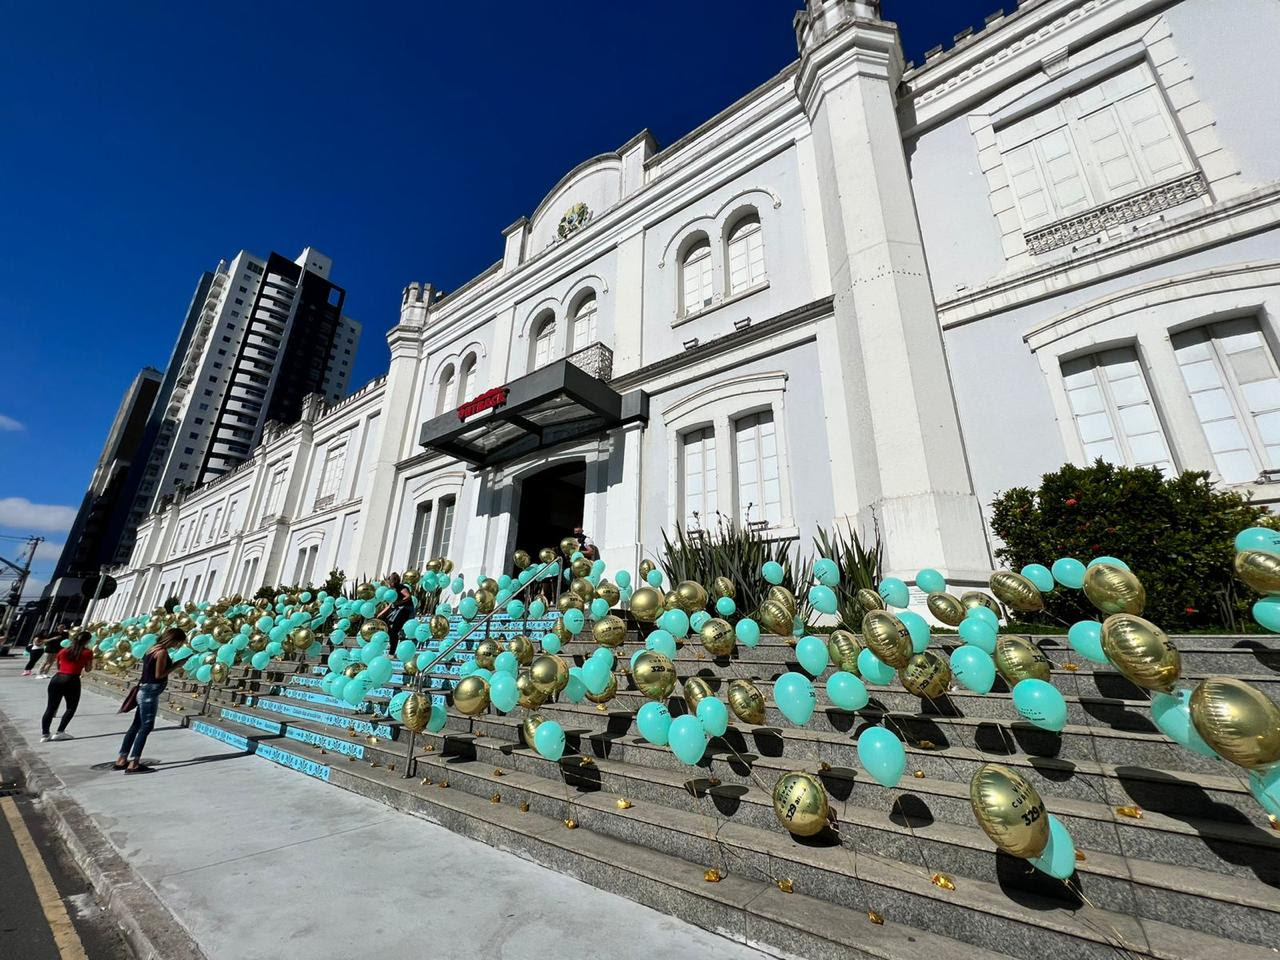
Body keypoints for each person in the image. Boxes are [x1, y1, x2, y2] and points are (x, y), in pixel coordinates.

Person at [115, 628, 185, 773]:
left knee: (135, 725)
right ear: (173, 639)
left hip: (143, 689)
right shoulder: (162, 652)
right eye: (178, 642)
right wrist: (176, 665)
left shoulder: (152, 649)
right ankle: (134, 763)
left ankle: (121, 759)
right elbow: (159, 675)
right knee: (146, 727)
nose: (178, 645)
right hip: (149, 693)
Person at [40, 630, 94, 741]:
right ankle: (60, 731)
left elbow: (59, 665)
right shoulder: (87, 652)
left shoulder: (63, 651)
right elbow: (88, 669)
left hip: (58, 678)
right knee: (71, 707)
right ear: (87, 641)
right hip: (72, 679)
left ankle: (45, 734)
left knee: (51, 707)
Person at [377, 572, 415, 646]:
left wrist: (398, 602)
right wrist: (380, 614)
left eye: (390, 581)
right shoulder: (393, 591)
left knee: (396, 624)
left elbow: (408, 596)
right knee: (389, 622)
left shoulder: (400, 587)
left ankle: (401, 639)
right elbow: (390, 605)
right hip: (400, 609)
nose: (389, 584)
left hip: (406, 609)